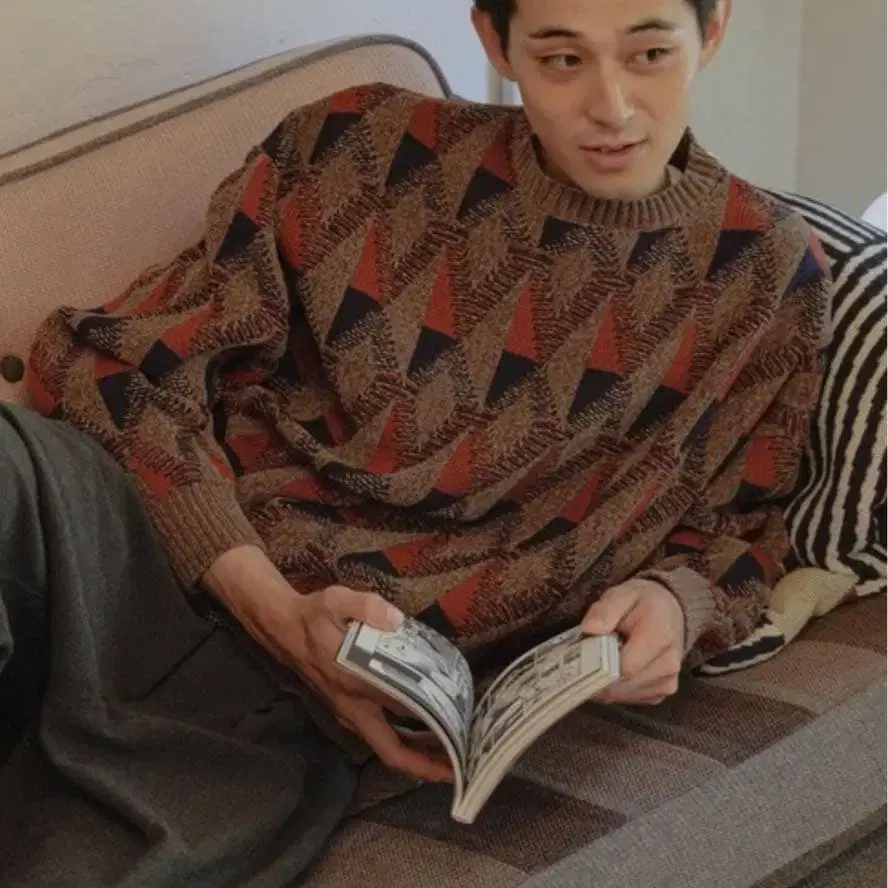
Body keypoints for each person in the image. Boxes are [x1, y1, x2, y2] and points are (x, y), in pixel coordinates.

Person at [0, 0, 831, 883]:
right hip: (120, 543)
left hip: (284, 708)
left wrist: (676, 606)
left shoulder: (766, 279)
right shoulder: (359, 144)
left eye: (650, 53)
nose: (613, 107)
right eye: (562, 60)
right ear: (493, 41)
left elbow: (741, 529)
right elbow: (109, 364)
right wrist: (271, 605)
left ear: (714, 29)